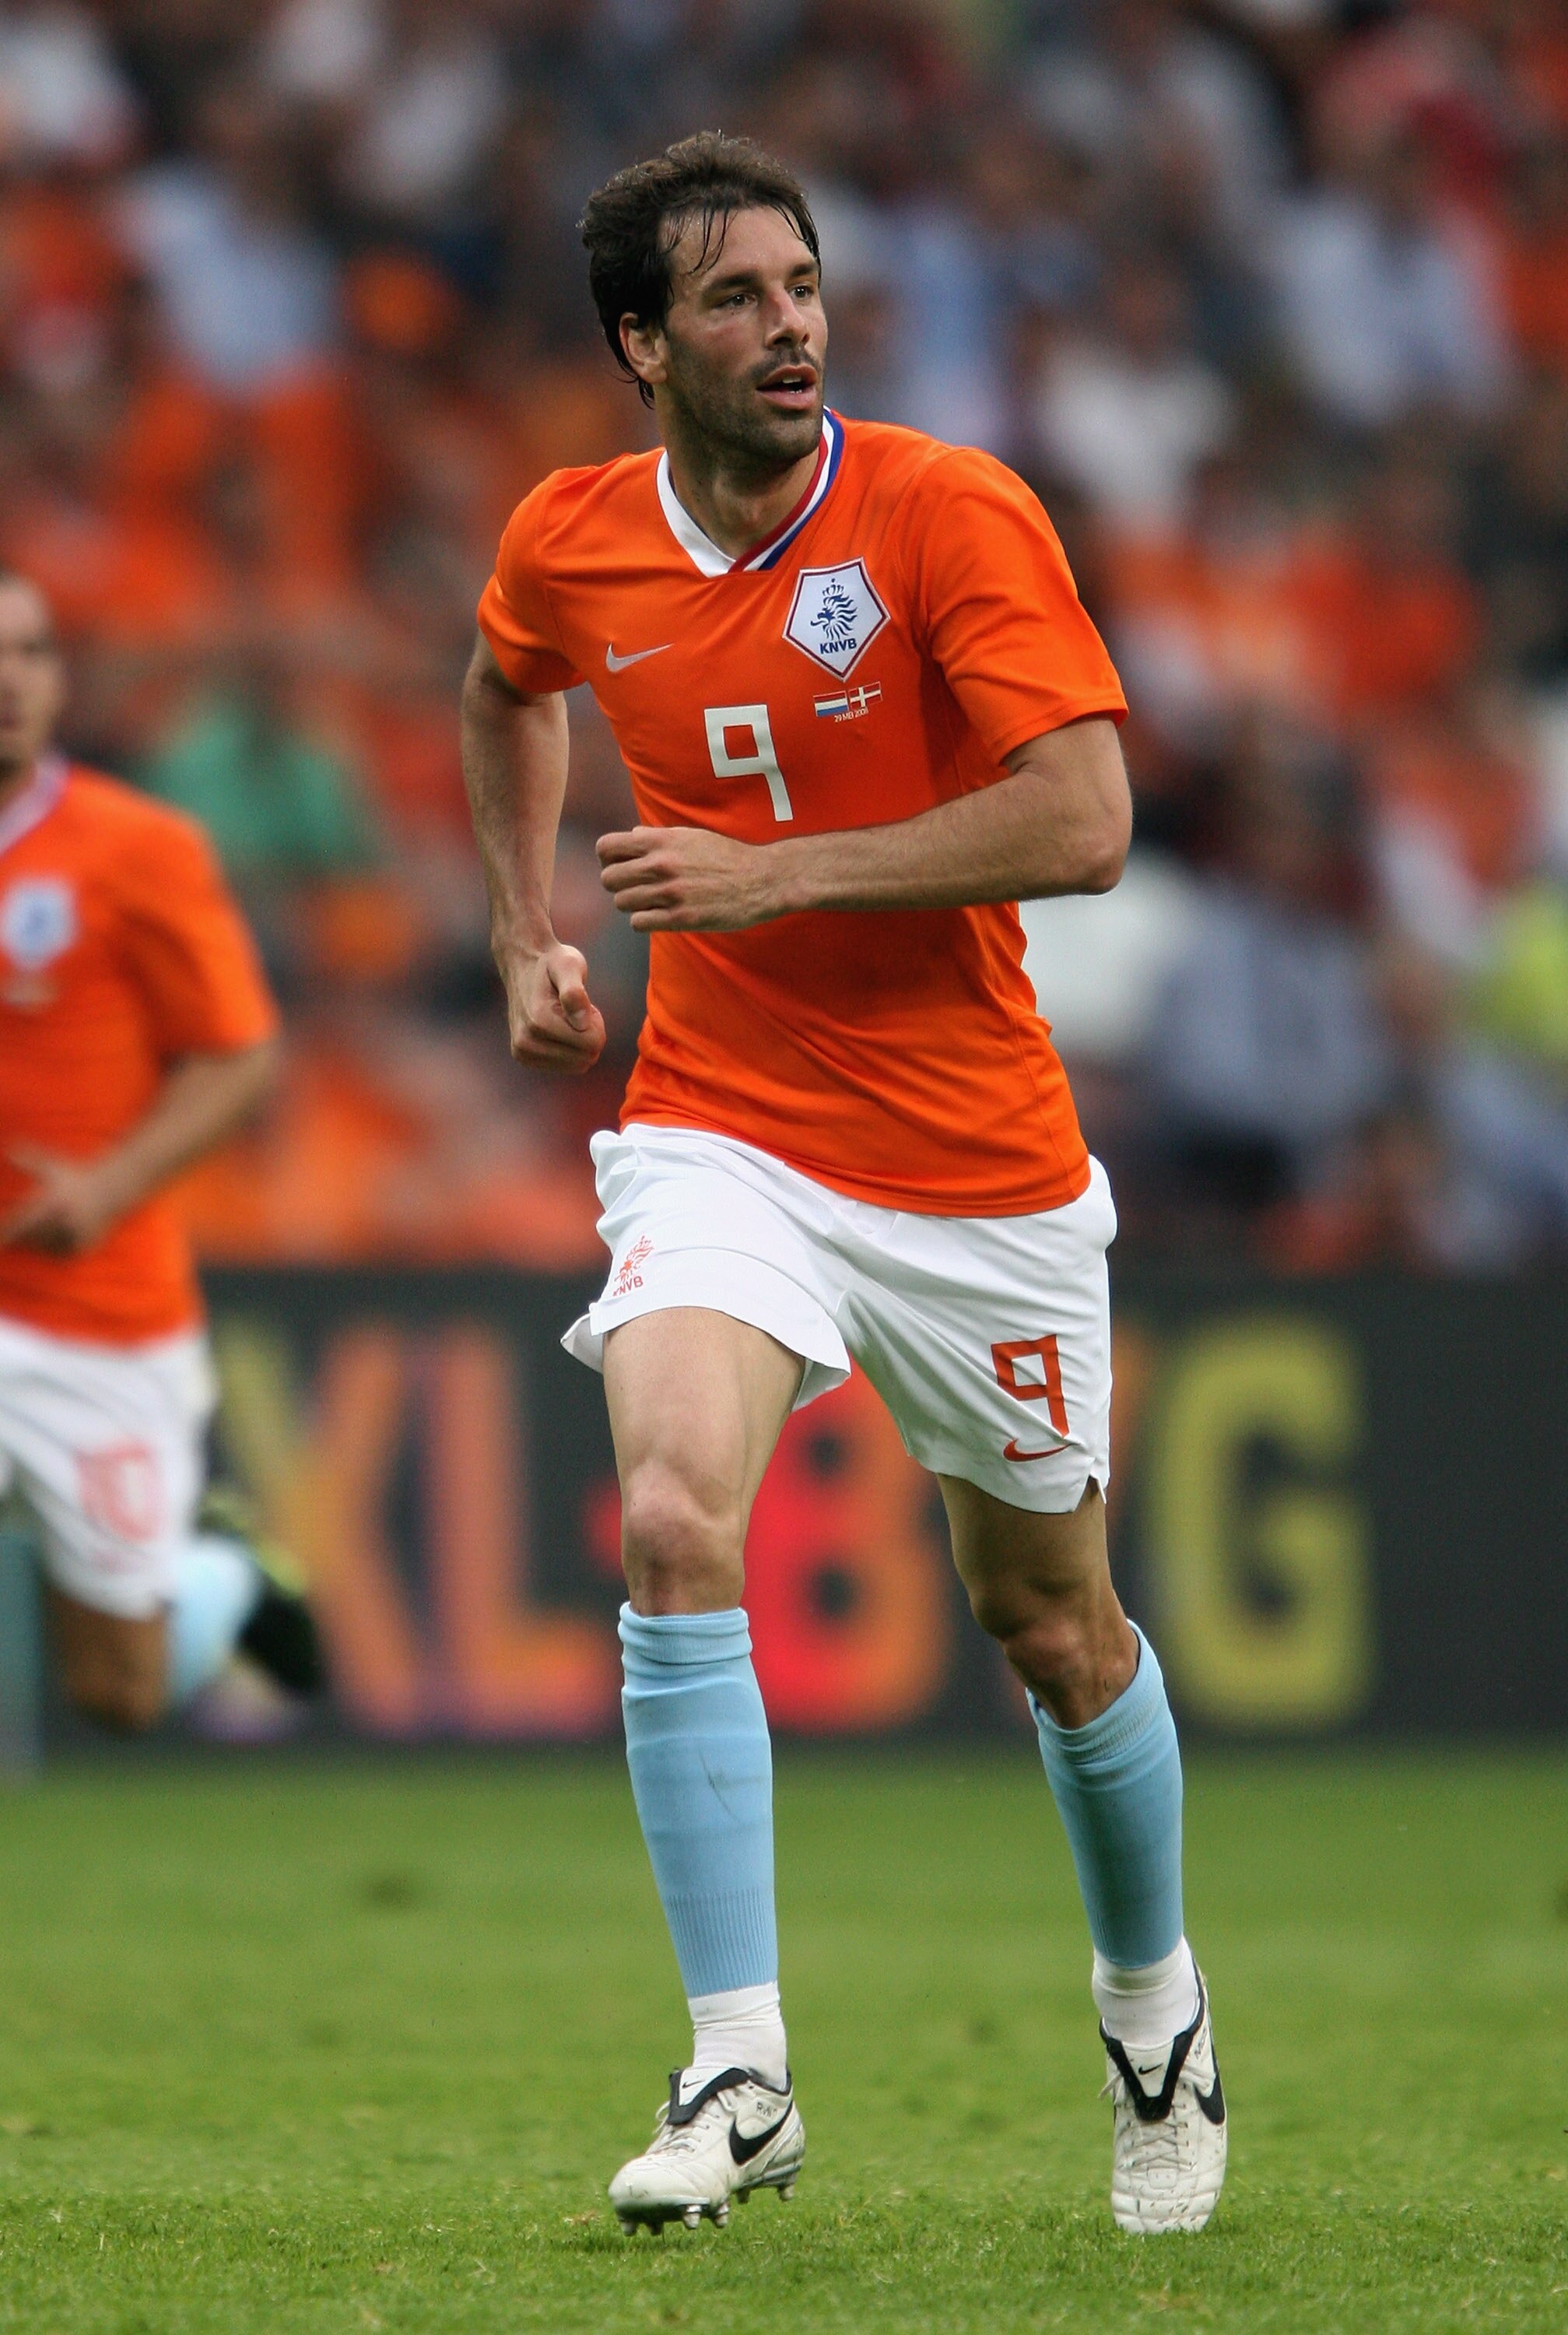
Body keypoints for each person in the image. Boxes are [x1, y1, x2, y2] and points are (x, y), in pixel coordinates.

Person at [462, 133, 1225, 2238]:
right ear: (642, 345)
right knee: (675, 1516)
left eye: (802, 287)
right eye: (734, 299)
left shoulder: (943, 508)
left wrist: (766, 877)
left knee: (1052, 1628)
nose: (790, 325)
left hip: (976, 1164)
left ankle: (1153, 2005)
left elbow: (1084, 821)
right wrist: (522, 928)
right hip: (725, 1128)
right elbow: (502, 683)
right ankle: (740, 2070)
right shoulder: (575, 534)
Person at [0, 569, 324, 1733]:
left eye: (31, 653)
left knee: (120, 1696)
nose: (10, 680)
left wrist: (109, 1185)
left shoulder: (134, 848)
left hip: (97, 1311)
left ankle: (222, 1578)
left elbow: (239, 1055)